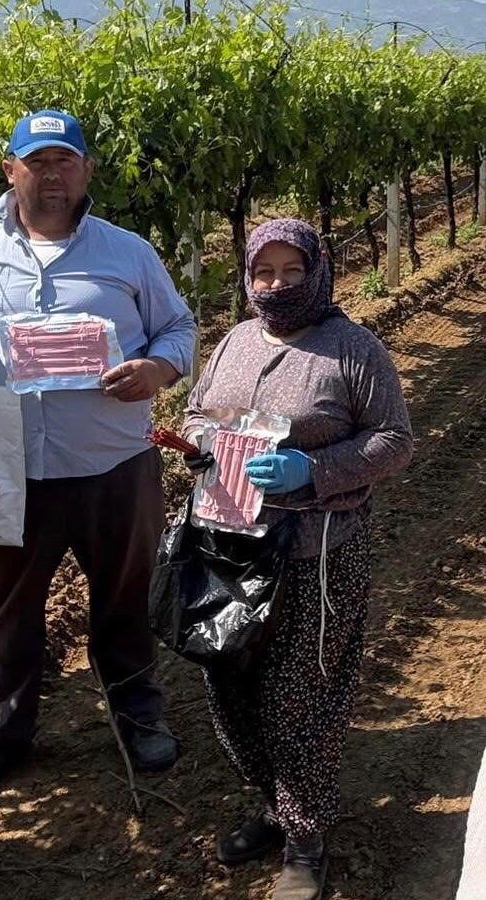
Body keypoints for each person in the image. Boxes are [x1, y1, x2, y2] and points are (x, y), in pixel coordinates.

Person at [0, 108, 196, 796]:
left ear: (86, 172)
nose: (52, 175)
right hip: (7, 467)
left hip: (114, 465)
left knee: (124, 601)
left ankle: (138, 717)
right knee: (5, 612)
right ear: (10, 170)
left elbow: (179, 327)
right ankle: (0, 736)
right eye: (37, 162)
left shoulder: (127, 251)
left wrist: (158, 370)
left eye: (64, 161)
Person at [182, 219, 413, 900]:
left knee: (297, 698)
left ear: (316, 270)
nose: (276, 285)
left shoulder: (353, 349)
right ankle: (272, 806)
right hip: (226, 547)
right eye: (263, 272)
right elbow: (197, 410)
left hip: (315, 555)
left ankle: (306, 841)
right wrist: (201, 440)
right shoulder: (233, 341)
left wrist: (312, 470)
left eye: (290, 271)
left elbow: (395, 440)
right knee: (228, 688)